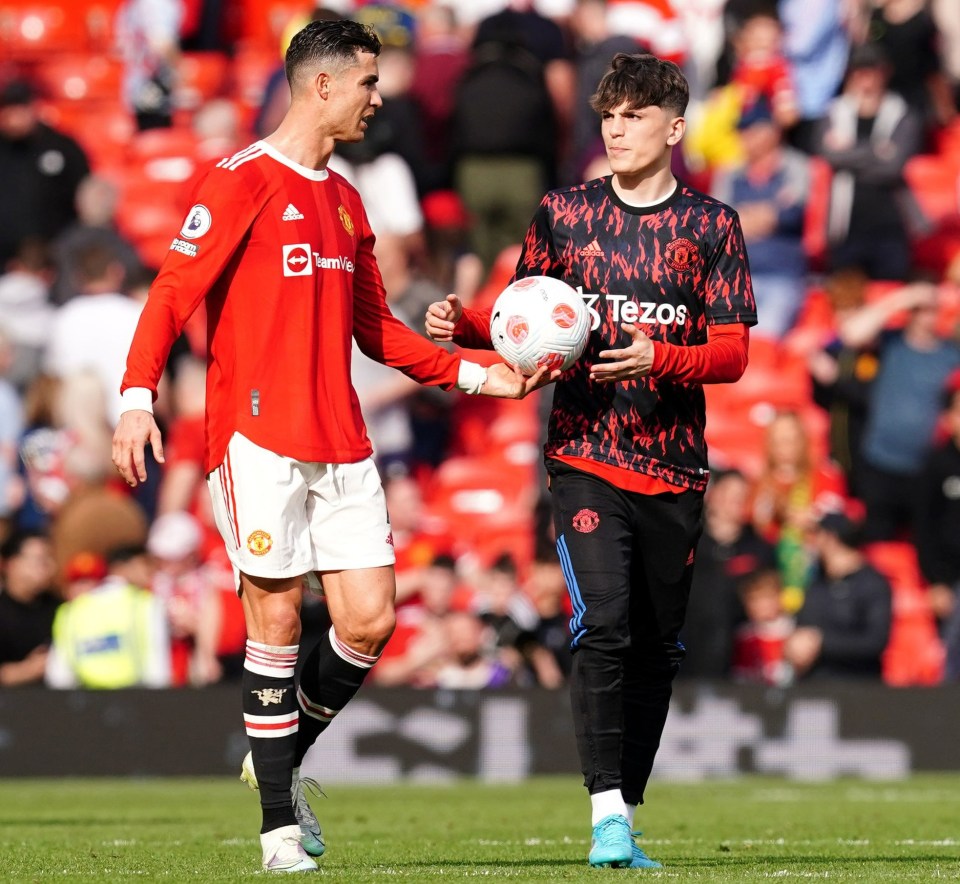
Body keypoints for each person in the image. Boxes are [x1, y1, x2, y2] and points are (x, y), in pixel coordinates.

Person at [111, 19, 549, 875]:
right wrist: (138, 399)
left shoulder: (347, 200)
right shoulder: (239, 181)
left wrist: (478, 375)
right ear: (320, 86)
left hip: (343, 439)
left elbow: (378, 331)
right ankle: (280, 828)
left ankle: (275, 753)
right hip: (256, 437)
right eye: (367, 82)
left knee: (371, 620)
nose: (378, 97)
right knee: (273, 618)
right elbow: (171, 294)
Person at [426, 52, 757, 870]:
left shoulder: (710, 225)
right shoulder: (564, 213)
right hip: (583, 454)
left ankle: (626, 807)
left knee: (655, 646)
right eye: (608, 115)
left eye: (635, 115)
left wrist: (658, 359)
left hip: (673, 466)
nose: (616, 128)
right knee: (602, 624)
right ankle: (605, 812)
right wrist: (465, 323)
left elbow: (734, 352)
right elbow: (524, 318)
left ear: (674, 128)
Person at [783, 510, 892, 680]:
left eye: (814, 535)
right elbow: (803, 628)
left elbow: (875, 642)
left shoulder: (872, 584)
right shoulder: (816, 584)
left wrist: (822, 643)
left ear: (830, 538)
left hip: (857, 687)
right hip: (814, 690)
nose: (808, 543)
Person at [45, 543, 171, 689]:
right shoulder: (146, 604)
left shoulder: (70, 613)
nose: (83, 588)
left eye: (88, 580)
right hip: (136, 699)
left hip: (85, 703)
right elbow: (157, 673)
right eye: (78, 582)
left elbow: (59, 678)